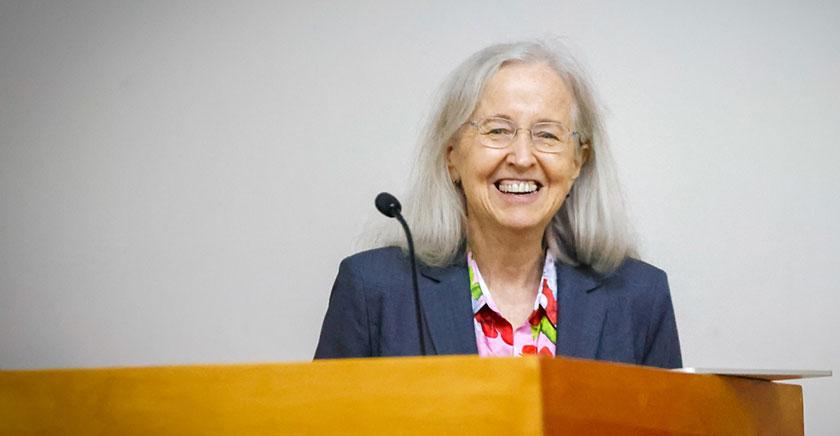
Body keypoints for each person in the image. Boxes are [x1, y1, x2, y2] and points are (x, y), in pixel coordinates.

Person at [314, 40, 682, 368]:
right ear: (452, 155)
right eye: (497, 130)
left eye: (547, 134)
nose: (522, 157)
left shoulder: (640, 297)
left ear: (577, 162)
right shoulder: (372, 289)